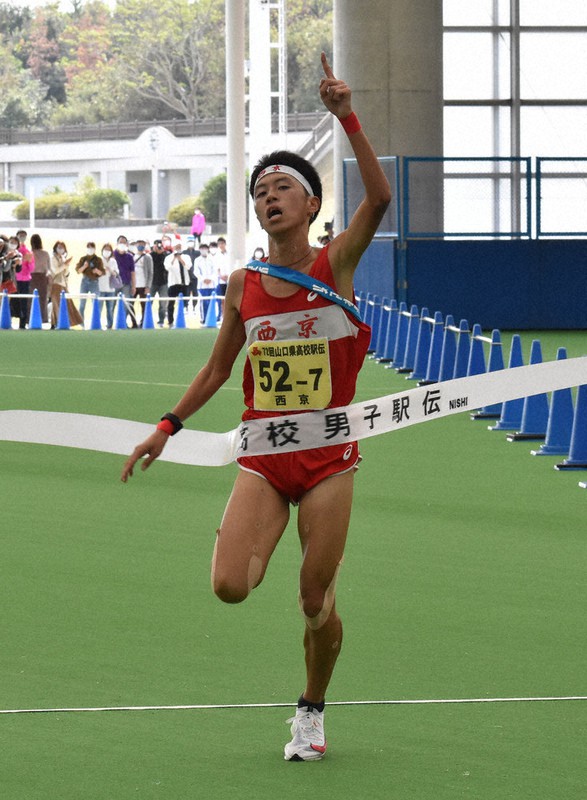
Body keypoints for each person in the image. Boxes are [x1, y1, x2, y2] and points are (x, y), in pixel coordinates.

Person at [121, 53, 391, 762]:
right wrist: (166, 427)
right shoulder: (243, 283)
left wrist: (346, 117)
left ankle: (310, 709)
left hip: (329, 456)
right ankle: (242, 534)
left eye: (283, 187)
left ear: (310, 204)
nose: (269, 197)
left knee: (312, 601)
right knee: (230, 588)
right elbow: (218, 367)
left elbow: (382, 199)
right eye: (260, 191)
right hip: (266, 457)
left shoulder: (337, 263)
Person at [50, 241, 83, 328]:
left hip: (63, 284)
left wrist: (66, 266)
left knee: (65, 304)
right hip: (55, 284)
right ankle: (57, 323)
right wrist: (64, 265)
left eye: (62, 247)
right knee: (57, 304)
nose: (61, 249)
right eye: (59, 247)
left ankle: (59, 323)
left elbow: (66, 273)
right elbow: (55, 271)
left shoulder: (63, 258)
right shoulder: (53, 258)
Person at [75, 241, 105, 324]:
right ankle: (81, 324)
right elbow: (78, 270)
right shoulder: (83, 259)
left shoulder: (98, 260)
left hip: (94, 282)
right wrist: (84, 266)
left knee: (96, 303)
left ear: (95, 249)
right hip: (84, 281)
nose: (90, 249)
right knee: (82, 304)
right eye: (88, 248)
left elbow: (102, 272)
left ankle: (95, 323)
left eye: (92, 248)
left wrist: (97, 271)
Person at [113, 235, 138, 328]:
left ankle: (122, 323)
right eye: (120, 242)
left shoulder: (130, 256)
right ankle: (111, 323)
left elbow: (133, 272)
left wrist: (134, 286)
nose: (122, 244)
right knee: (112, 304)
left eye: (124, 242)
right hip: (114, 284)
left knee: (126, 304)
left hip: (126, 284)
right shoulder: (113, 254)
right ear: (117, 243)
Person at [164, 240, 190, 326]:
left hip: (184, 283)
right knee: (171, 303)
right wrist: (174, 258)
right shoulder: (168, 258)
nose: (178, 248)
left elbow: (188, 266)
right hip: (173, 283)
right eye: (176, 247)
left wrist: (180, 259)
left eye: (179, 247)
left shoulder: (186, 257)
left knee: (184, 303)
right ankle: (170, 321)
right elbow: (168, 267)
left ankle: (182, 320)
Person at [29, 234, 51, 325]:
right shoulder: (45, 254)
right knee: (42, 299)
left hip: (31, 277)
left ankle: (30, 318)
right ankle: (43, 318)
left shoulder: (30, 253)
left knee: (30, 299)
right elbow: (48, 268)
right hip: (42, 277)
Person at [14, 229, 34, 328]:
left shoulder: (28, 251)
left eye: (24, 235)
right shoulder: (13, 250)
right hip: (14, 279)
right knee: (12, 301)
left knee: (24, 302)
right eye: (20, 235)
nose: (22, 237)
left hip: (25, 279)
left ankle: (22, 324)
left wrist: (29, 261)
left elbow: (31, 268)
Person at [132, 239, 153, 327]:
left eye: (142, 244)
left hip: (144, 285)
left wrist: (148, 286)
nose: (140, 246)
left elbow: (150, 272)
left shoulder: (147, 257)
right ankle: (133, 322)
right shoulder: (132, 256)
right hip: (134, 285)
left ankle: (143, 322)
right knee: (130, 304)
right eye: (139, 244)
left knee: (144, 305)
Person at [98, 243, 119, 329]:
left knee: (110, 309)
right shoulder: (99, 260)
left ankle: (109, 325)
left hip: (110, 288)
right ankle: (96, 323)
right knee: (99, 308)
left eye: (109, 250)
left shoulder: (113, 261)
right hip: (100, 287)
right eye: (105, 249)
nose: (107, 252)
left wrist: (110, 270)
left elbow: (116, 273)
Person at [193, 243, 215, 323]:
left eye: (205, 248)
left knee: (211, 302)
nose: (203, 250)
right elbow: (196, 272)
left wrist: (210, 279)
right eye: (202, 249)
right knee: (203, 302)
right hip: (202, 285)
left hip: (211, 284)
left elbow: (215, 271)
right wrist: (203, 279)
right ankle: (204, 318)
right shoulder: (197, 260)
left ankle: (211, 318)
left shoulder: (212, 259)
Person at [150, 239, 169, 327]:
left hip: (163, 282)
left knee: (163, 303)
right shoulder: (150, 256)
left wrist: (162, 254)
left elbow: (165, 266)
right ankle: (146, 319)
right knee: (149, 302)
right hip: (152, 282)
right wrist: (154, 252)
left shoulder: (165, 255)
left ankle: (161, 320)